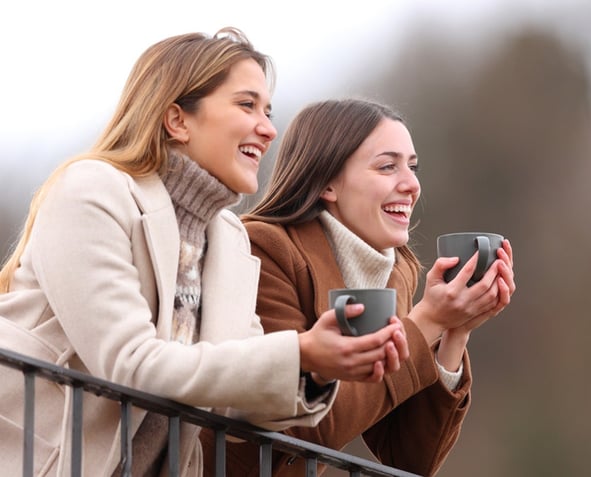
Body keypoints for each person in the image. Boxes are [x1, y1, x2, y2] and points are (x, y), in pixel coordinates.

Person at [0, 29, 408, 477]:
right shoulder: (92, 191)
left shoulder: (228, 238)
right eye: (246, 105)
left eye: (268, 111)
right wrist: (303, 352)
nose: (269, 128)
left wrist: (318, 368)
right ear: (178, 120)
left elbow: (237, 399)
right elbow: (130, 365)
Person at [199, 98, 516, 476]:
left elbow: (409, 459)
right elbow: (300, 427)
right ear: (328, 183)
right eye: (387, 167)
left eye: (413, 168)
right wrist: (427, 321)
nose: (412, 185)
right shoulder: (264, 249)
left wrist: (454, 333)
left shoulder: (397, 274)